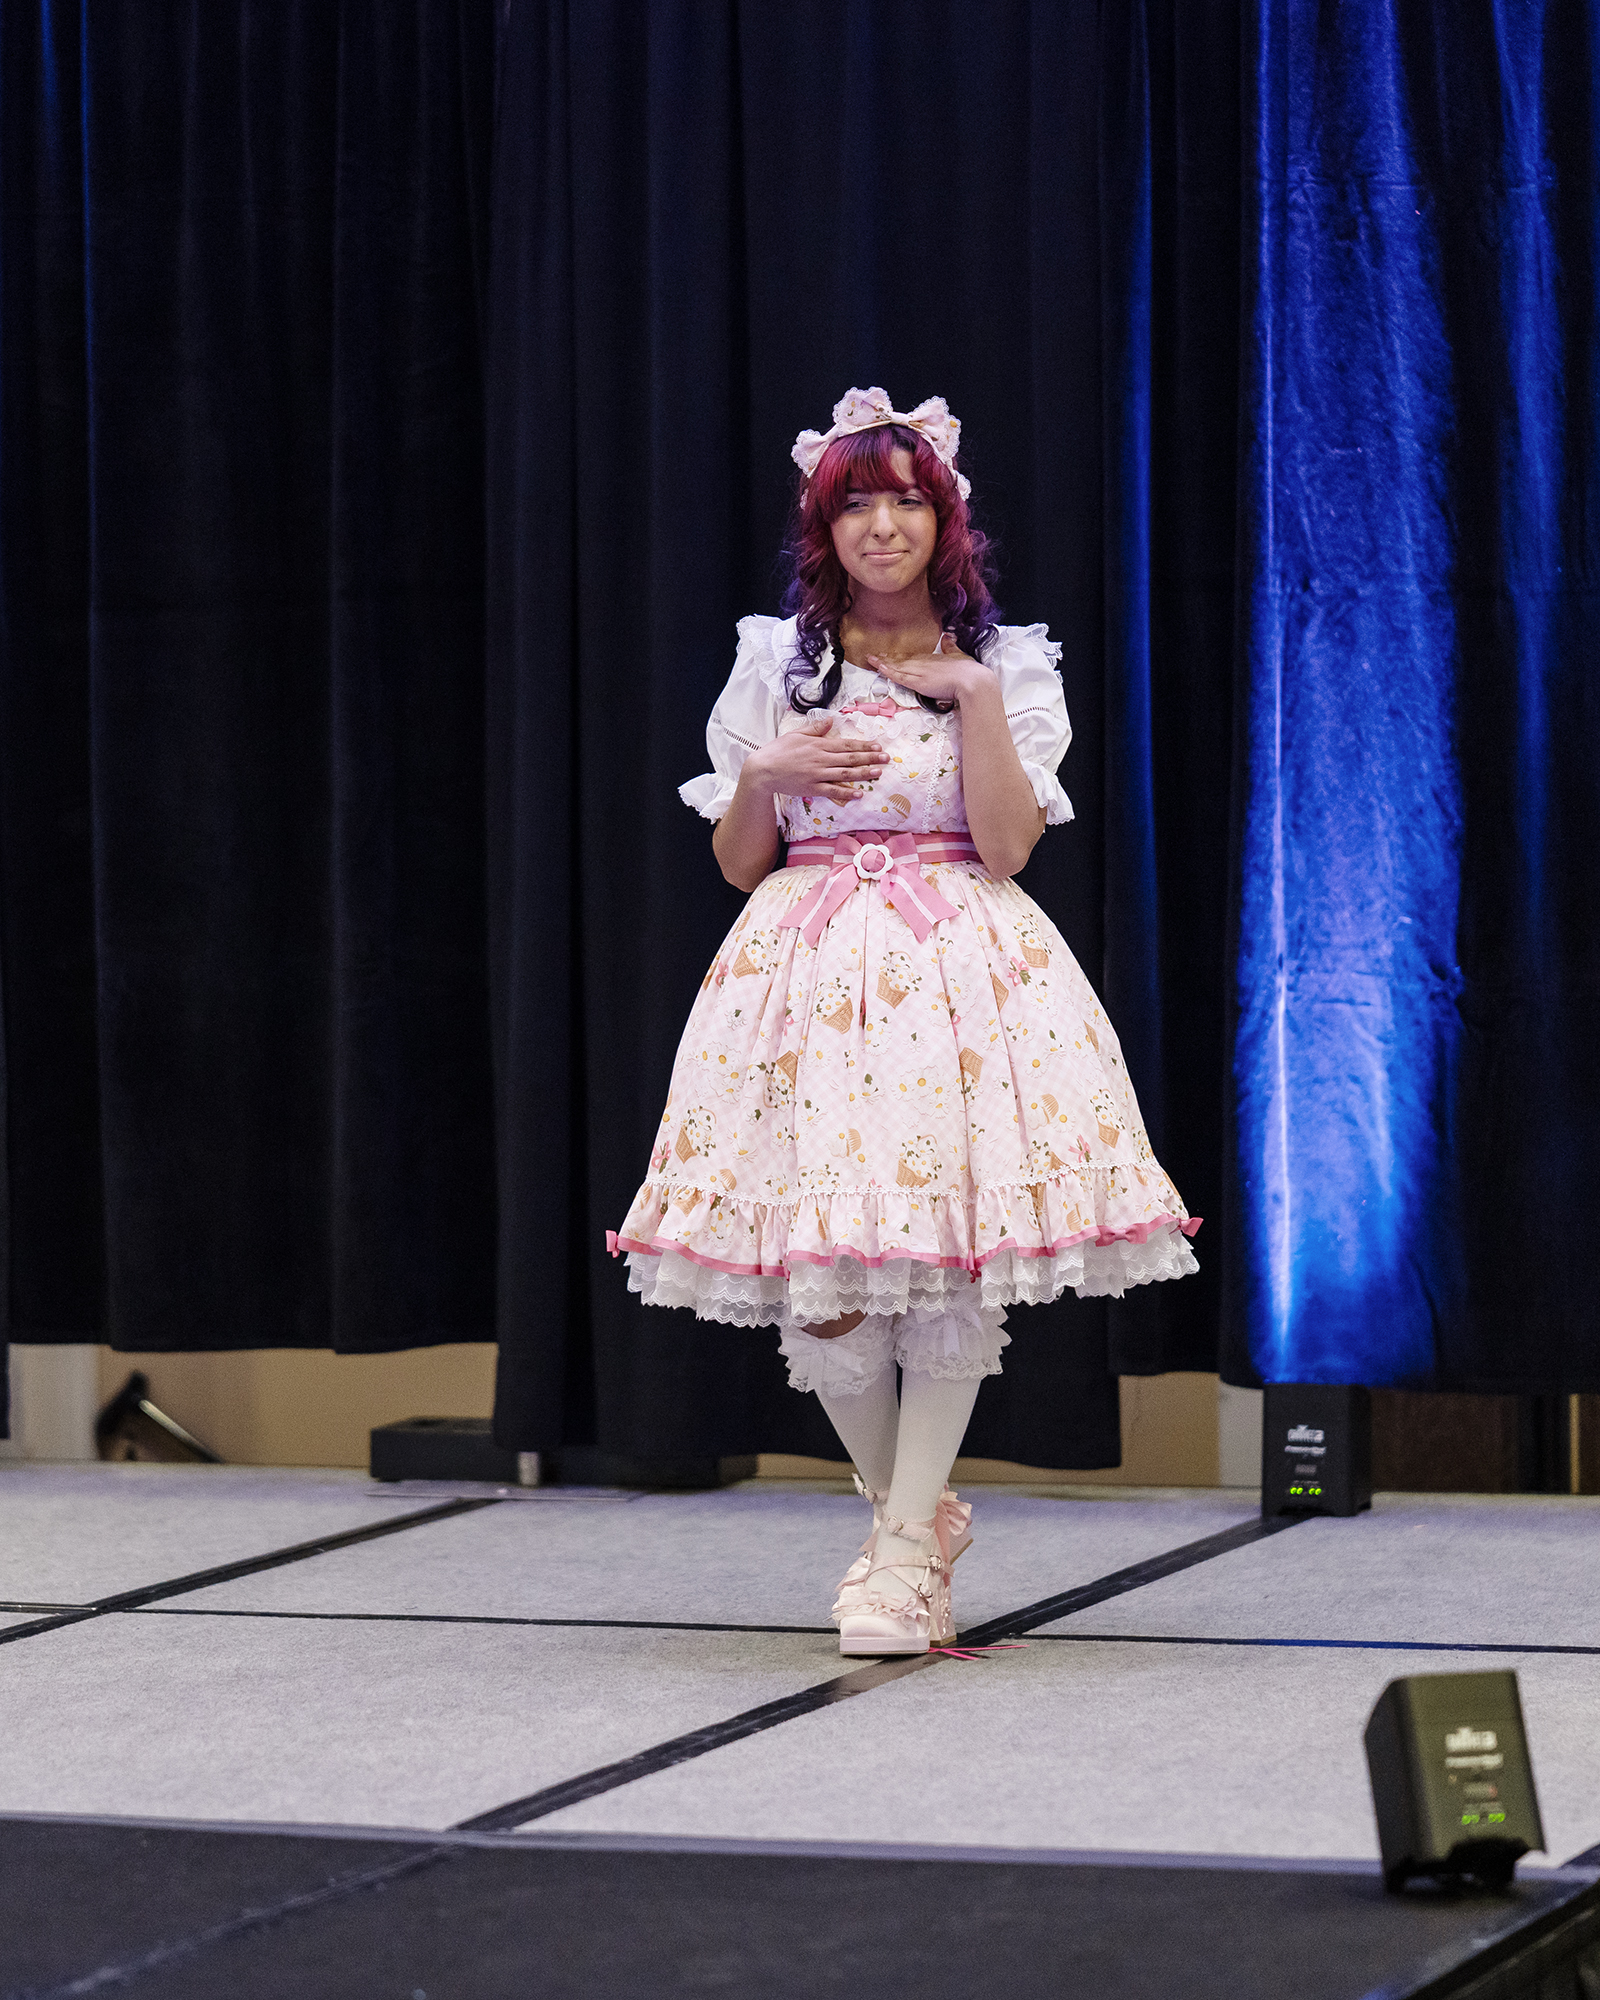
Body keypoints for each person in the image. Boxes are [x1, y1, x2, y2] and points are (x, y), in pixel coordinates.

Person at [610, 387, 1199, 1657]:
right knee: (821, 1282)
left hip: (954, 973)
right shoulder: (780, 660)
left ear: (945, 518)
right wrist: (764, 773)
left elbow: (1008, 844)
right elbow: (738, 863)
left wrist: (975, 698)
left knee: (938, 1263)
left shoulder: (1005, 663)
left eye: (906, 501)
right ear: (823, 526)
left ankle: (898, 1560)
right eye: (857, 506)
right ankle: (913, 1519)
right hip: (804, 977)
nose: (883, 526)